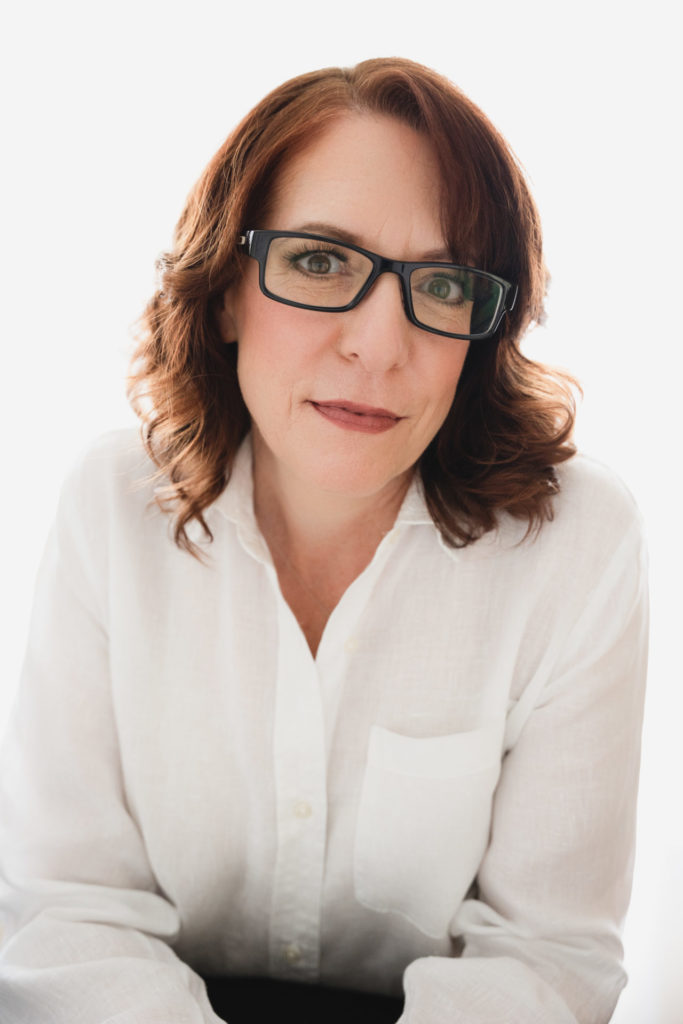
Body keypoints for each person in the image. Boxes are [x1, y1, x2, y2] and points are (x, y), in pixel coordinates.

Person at [0, 58, 648, 1024]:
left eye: (443, 284)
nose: (379, 347)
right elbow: (68, 912)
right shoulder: (110, 507)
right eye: (318, 262)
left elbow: (543, 959)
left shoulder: (576, 545)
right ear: (225, 289)